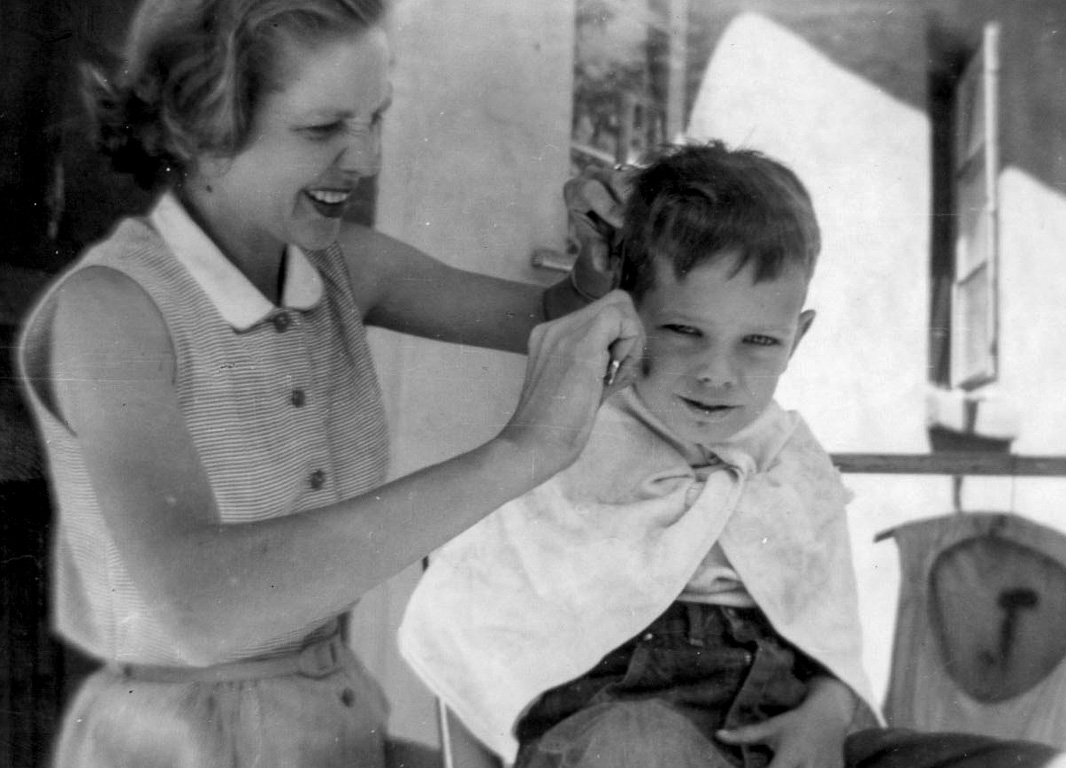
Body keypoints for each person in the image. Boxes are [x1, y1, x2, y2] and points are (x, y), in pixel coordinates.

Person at [15, 1, 640, 767]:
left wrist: (597, 263)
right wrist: (519, 454)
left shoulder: (343, 267)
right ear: (198, 130)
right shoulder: (111, 309)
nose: (368, 158)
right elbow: (202, 609)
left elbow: (550, 315)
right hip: (178, 739)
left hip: (331, 708)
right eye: (322, 130)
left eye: (376, 118)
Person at [399, 142, 1066, 768]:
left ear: (798, 336)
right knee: (639, 749)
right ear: (624, 315)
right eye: (683, 330)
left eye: (757, 342)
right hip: (613, 734)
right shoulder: (570, 437)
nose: (718, 373)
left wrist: (826, 718)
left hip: (786, 733)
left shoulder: (789, 456)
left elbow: (830, 629)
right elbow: (471, 626)